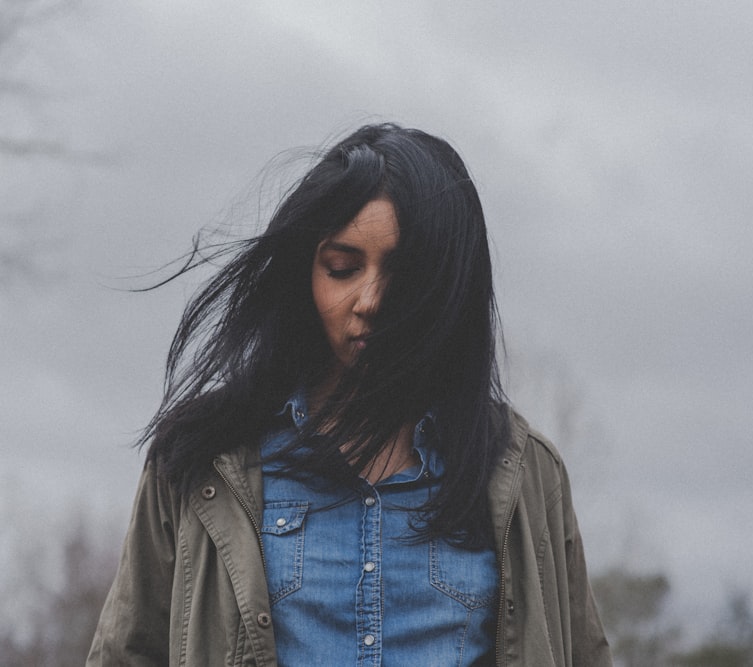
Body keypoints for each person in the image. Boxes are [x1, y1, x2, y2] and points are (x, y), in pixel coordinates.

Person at [87, 123, 612, 666]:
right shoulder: (201, 463)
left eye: (405, 273)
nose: (369, 301)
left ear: (451, 282)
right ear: (306, 271)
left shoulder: (525, 473)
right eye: (342, 267)